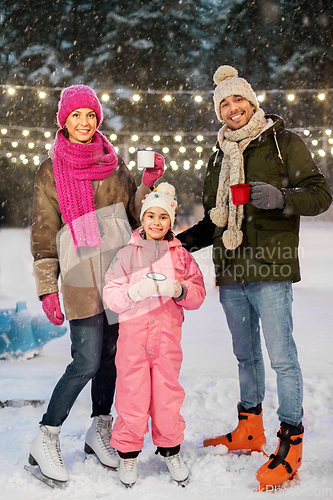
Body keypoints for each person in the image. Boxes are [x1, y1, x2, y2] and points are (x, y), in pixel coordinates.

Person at [177, 66, 332, 490]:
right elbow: (215, 220)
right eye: (223, 104)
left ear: (252, 101)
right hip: (230, 270)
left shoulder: (284, 143)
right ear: (217, 111)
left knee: (282, 357)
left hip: (272, 267)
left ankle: (291, 440)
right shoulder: (217, 156)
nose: (232, 109)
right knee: (245, 357)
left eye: (238, 100)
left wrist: (282, 197)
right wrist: (179, 243)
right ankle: (250, 427)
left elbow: (320, 194)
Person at [29, 84, 165, 485]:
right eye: (76, 116)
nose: (85, 123)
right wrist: (47, 287)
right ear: (64, 121)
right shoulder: (51, 168)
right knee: (85, 360)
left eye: (90, 115)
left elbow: (135, 215)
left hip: (117, 273)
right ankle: (46, 434)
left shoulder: (113, 161)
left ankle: (98, 426)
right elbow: (44, 231)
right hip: (78, 274)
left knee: (111, 358)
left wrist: (148, 182)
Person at [103, 182, 206, 487]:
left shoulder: (181, 257)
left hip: (166, 343)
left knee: (166, 398)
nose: (157, 223)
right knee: (132, 397)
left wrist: (180, 289)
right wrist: (133, 291)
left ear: (171, 222)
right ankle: (128, 455)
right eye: (151, 216)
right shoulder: (126, 255)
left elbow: (198, 294)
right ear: (143, 220)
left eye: (163, 217)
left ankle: (170, 449)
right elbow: (111, 294)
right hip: (133, 343)